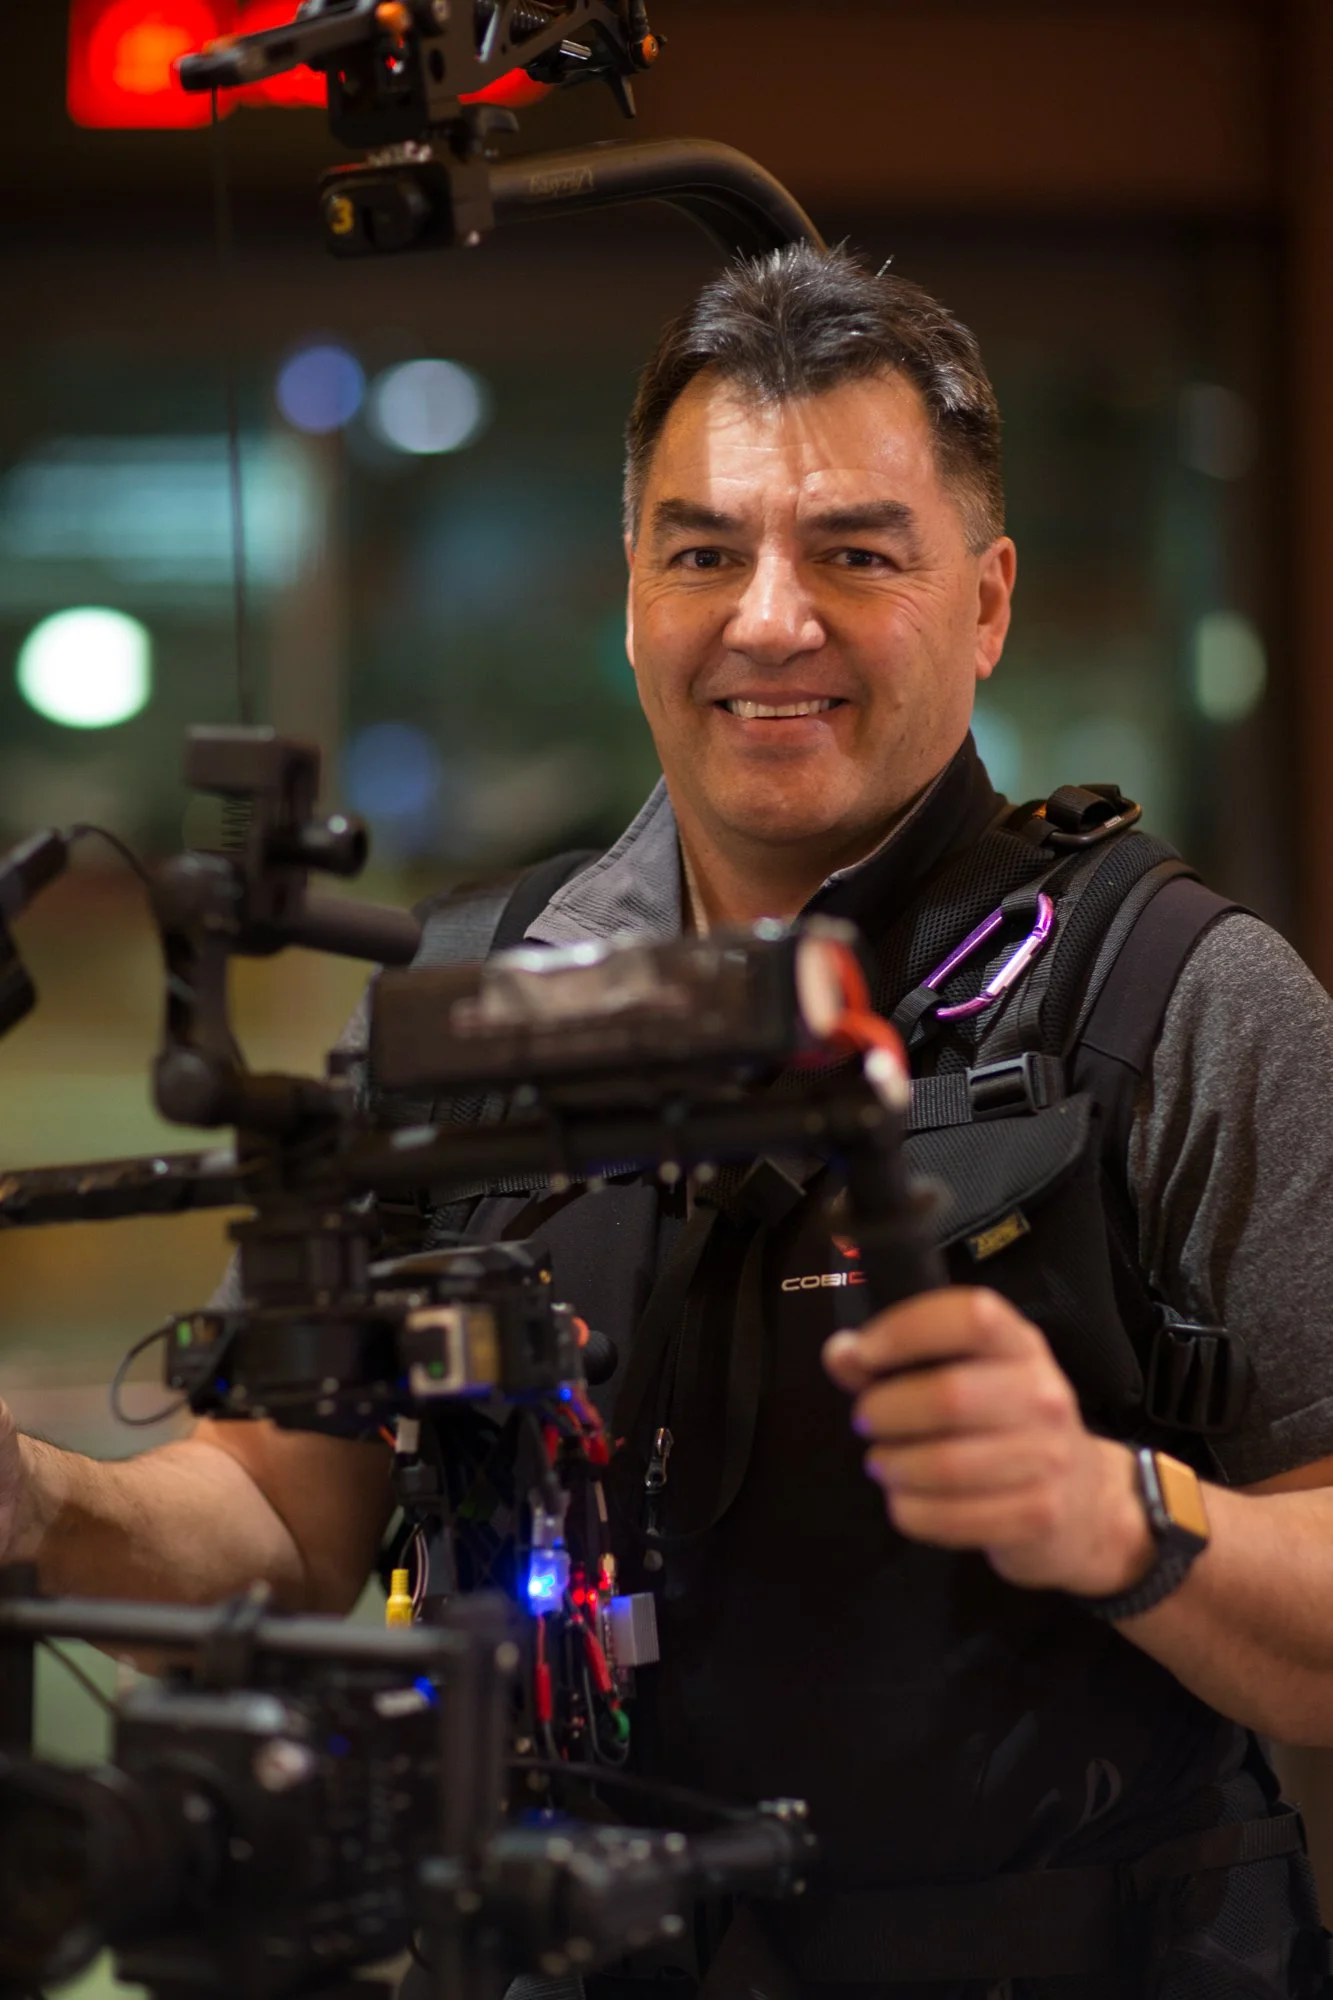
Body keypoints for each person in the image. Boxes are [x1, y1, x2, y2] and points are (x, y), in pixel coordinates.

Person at [6, 244, 1333, 1997]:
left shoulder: (1188, 1001)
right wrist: (40, 1508)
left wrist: (1116, 1511)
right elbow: (279, 1514)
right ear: (634, 592)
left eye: (858, 555)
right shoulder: (465, 1012)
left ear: (990, 600)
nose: (769, 619)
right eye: (705, 552)